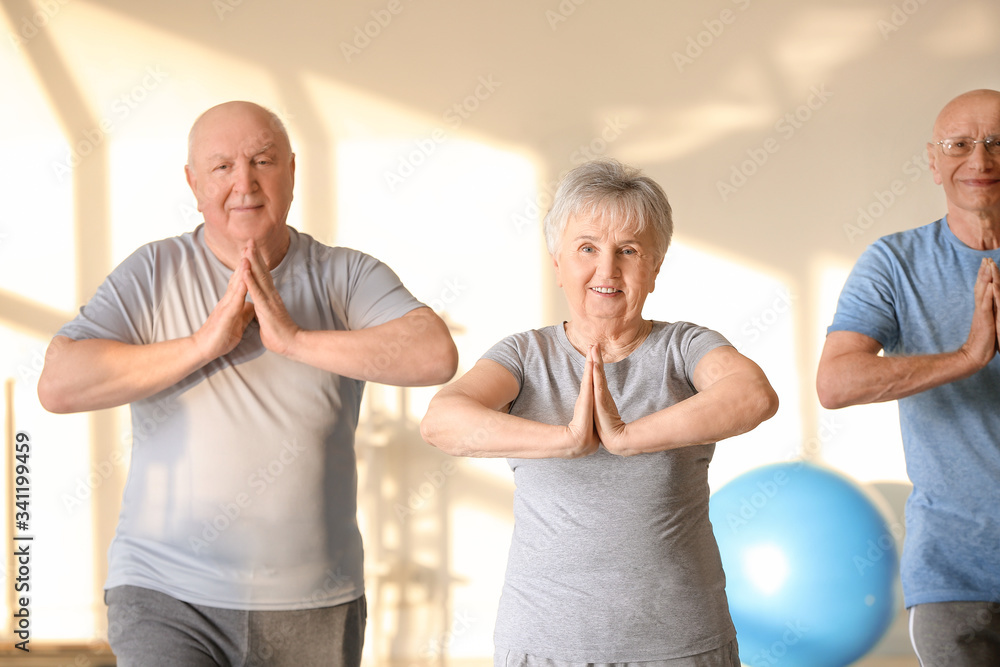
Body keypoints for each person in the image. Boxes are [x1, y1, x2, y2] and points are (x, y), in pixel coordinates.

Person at [37, 100, 458, 666]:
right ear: (192, 182)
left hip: (317, 602)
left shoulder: (345, 274)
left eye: (262, 160)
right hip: (166, 595)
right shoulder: (153, 272)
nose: (244, 182)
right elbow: (59, 384)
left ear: (290, 170)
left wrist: (293, 339)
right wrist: (203, 344)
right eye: (221, 167)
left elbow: (434, 354)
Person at [420, 159, 778, 666]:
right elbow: (441, 421)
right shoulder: (525, 356)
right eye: (587, 248)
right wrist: (567, 439)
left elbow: (754, 395)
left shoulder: (685, 347)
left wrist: (629, 437)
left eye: (628, 251)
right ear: (558, 263)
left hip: (679, 645)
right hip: (544, 647)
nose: (607, 270)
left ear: (653, 268)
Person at [817, 89, 1000, 666]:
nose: (980, 160)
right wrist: (969, 356)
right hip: (954, 575)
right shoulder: (895, 263)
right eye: (960, 145)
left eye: (997, 143)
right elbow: (836, 383)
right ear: (932, 160)